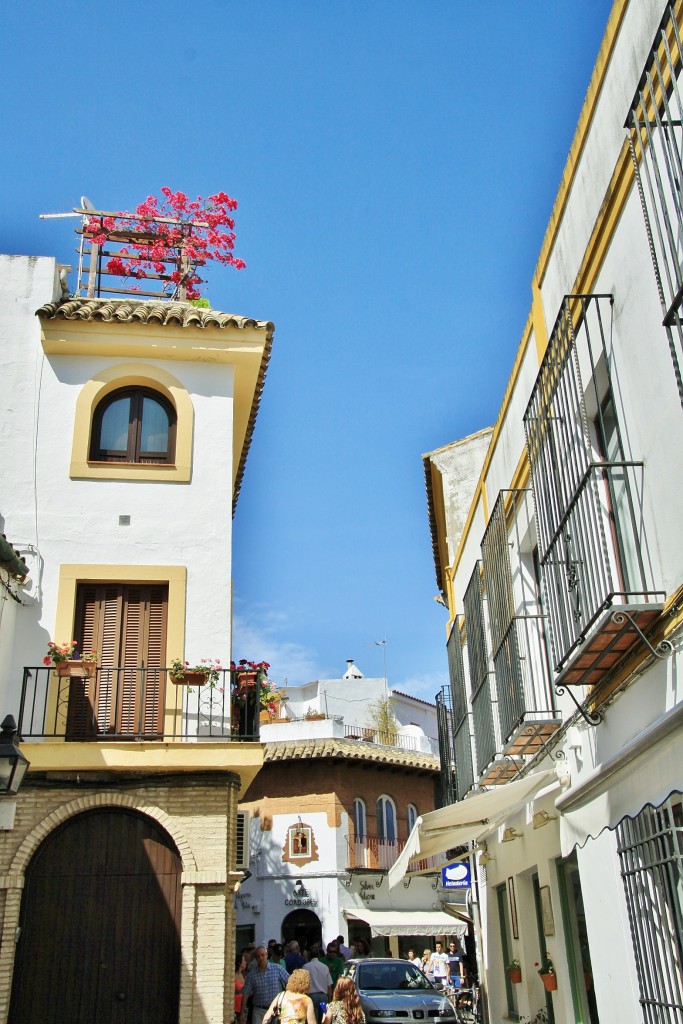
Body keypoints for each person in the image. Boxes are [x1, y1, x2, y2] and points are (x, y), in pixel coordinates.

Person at [240, 946, 290, 1024]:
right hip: (259, 1011)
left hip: (275, 1011)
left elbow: (290, 981)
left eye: (262, 955)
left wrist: (288, 998)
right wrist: (242, 1013)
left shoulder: (277, 968)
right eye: (258, 956)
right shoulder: (252, 975)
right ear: (255, 958)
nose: (261, 958)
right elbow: (245, 994)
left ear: (267, 955)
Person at [304, 945, 333, 1023]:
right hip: (323, 996)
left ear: (309, 954)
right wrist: (330, 1000)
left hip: (311, 997)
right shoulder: (325, 967)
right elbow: (329, 986)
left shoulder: (306, 967)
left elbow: (303, 985)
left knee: (313, 1020)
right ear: (319, 954)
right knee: (324, 1020)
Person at [235, 952, 248, 1018]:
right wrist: (240, 991)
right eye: (244, 960)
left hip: (243, 1007)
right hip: (234, 1008)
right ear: (239, 963)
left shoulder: (244, 975)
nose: (245, 962)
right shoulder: (232, 976)